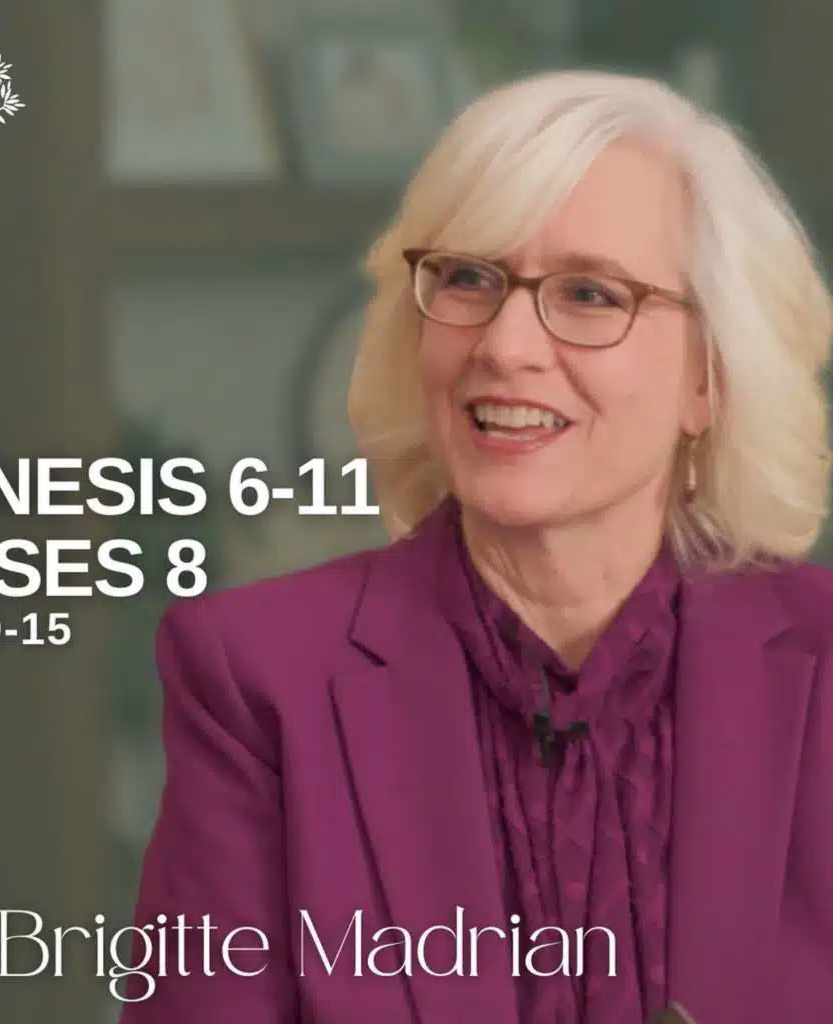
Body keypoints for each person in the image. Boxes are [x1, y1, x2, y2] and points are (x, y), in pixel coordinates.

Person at [119, 69, 833, 1023]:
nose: (503, 346)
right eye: (467, 279)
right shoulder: (257, 679)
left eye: (588, 293)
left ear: (709, 376)